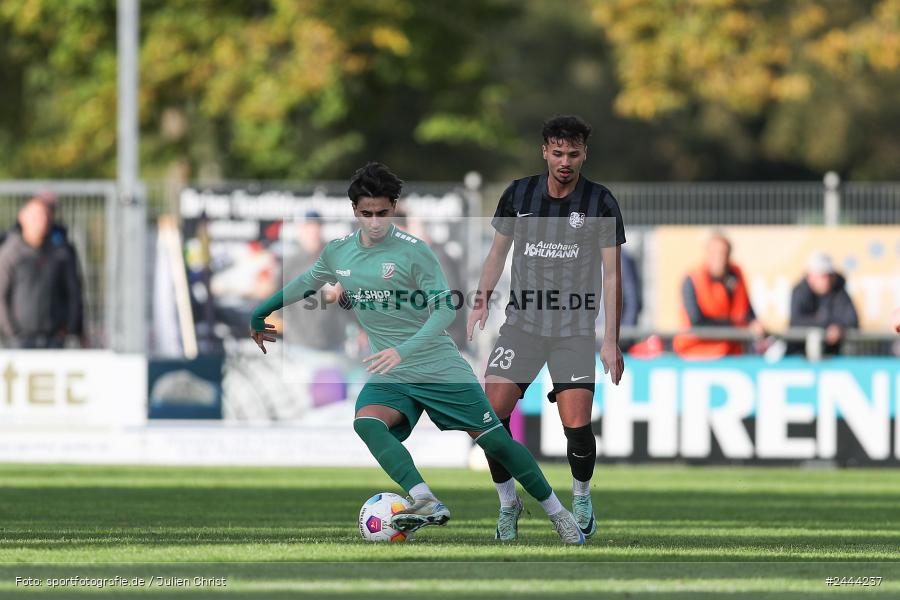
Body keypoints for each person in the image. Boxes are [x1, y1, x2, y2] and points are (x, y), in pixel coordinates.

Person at [250, 162, 585, 544]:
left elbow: (445, 308)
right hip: (392, 372)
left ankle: (559, 515)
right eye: (366, 214)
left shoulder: (414, 252)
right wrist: (260, 311)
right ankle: (425, 499)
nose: (374, 222)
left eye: (382, 213)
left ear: (394, 207)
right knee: (367, 422)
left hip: (436, 365)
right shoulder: (338, 253)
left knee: (495, 442)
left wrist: (402, 349)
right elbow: (306, 283)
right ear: (354, 210)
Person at [467, 115, 626, 541]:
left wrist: (611, 340)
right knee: (489, 418)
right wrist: (481, 298)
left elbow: (613, 274)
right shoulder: (518, 194)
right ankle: (507, 503)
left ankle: (581, 494)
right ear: (545, 152)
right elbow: (497, 254)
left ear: (584, 154)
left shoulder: (601, 202)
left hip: (574, 330)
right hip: (522, 326)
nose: (565, 161)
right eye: (558, 152)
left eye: (573, 153)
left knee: (576, 426)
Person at [0, 199, 83, 348]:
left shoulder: (62, 252)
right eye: (36, 216)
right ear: (22, 218)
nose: (41, 221)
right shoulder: (10, 253)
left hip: (55, 339)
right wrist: (12, 333)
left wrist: (70, 328)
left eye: (45, 216)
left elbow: (74, 292)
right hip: (19, 341)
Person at [672, 232, 765, 358]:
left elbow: (746, 310)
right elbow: (697, 322)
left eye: (723, 253)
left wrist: (753, 322)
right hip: (697, 352)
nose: (719, 258)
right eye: (715, 253)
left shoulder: (736, 276)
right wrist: (736, 327)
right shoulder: (693, 279)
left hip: (731, 352)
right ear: (707, 254)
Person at [280, 211, 346, 351]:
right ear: (300, 230)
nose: (313, 232)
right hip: (300, 344)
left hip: (333, 342)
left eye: (316, 227)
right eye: (308, 227)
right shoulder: (290, 264)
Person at [787, 252, 859, 357]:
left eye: (829, 275)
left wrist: (838, 328)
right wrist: (825, 326)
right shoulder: (800, 291)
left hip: (834, 354)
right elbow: (796, 322)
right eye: (823, 276)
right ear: (811, 276)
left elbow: (852, 320)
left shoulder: (839, 291)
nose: (827, 280)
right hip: (800, 353)